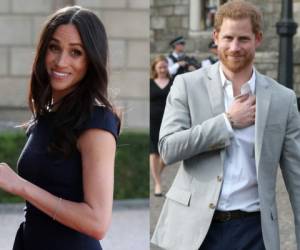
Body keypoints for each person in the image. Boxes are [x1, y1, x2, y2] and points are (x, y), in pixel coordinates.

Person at [151, 1, 300, 250]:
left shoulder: (282, 99)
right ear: (216, 36)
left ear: (258, 39)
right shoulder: (186, 85)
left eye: (243, 39)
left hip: (255, 231)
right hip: (196, 231)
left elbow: (296, 178)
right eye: (228, 37)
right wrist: (226, 122)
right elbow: (168, 148)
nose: (234, 47)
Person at [0, 6, 120, 250]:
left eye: (75, 52)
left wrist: (20, 186)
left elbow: (98, 222)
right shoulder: (47, 115)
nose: (60, 61)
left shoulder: (96, 123)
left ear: (91, 60)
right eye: (54, 47)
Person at [150, 55, 172, 196]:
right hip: (152, 120)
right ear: (155, 68)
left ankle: (156, 174)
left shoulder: (174, 81)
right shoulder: (150, 82)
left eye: (164, 67)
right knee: (154, 152)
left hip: (169, 120)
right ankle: (158, 183)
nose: (163, 69)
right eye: (160, 67)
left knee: (167, 152)